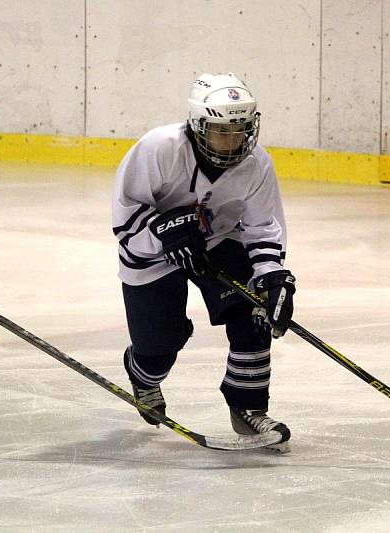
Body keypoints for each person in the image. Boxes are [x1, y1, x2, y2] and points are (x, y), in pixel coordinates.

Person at [111, 72, 296, 452]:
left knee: (255, 309)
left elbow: (262, 227)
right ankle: (143, 374)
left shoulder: (257, 164)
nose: (233, 141)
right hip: (154, 251)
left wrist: (273, 277)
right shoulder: (158, 148)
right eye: (221, 131)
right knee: (159, 344)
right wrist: (165, 233)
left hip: (219, 241)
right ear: (198, 125)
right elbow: (126, 220)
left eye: (240, 130)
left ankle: (248, 407)